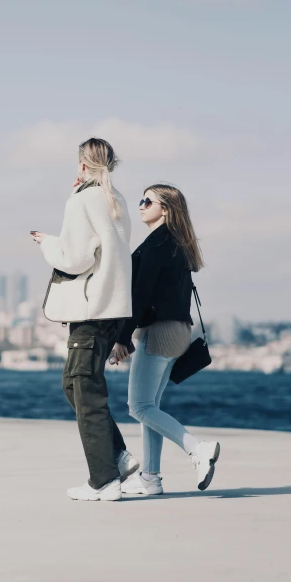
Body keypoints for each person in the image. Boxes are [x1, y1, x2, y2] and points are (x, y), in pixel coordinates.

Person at [31, 138, 138, 501]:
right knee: (74, 384)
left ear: (81, 166)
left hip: (91, 310)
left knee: (83, 388)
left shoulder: (82, 200)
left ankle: (103, 480)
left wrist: (47, 243)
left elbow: (75, 258)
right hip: (112, 308)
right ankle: (118, 457)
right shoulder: (116, 199)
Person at [113, 184, 220, 495]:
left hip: (159, 331)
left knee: (139, 406)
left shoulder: (159, 244)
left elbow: (140, 296)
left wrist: (122, 338)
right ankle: (150, 478)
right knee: (151, 406)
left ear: (167, 209)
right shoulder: (176, 244)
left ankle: (196, 449)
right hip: (178, 331)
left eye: (149, 201)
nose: (142, 204)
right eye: (141, 199)